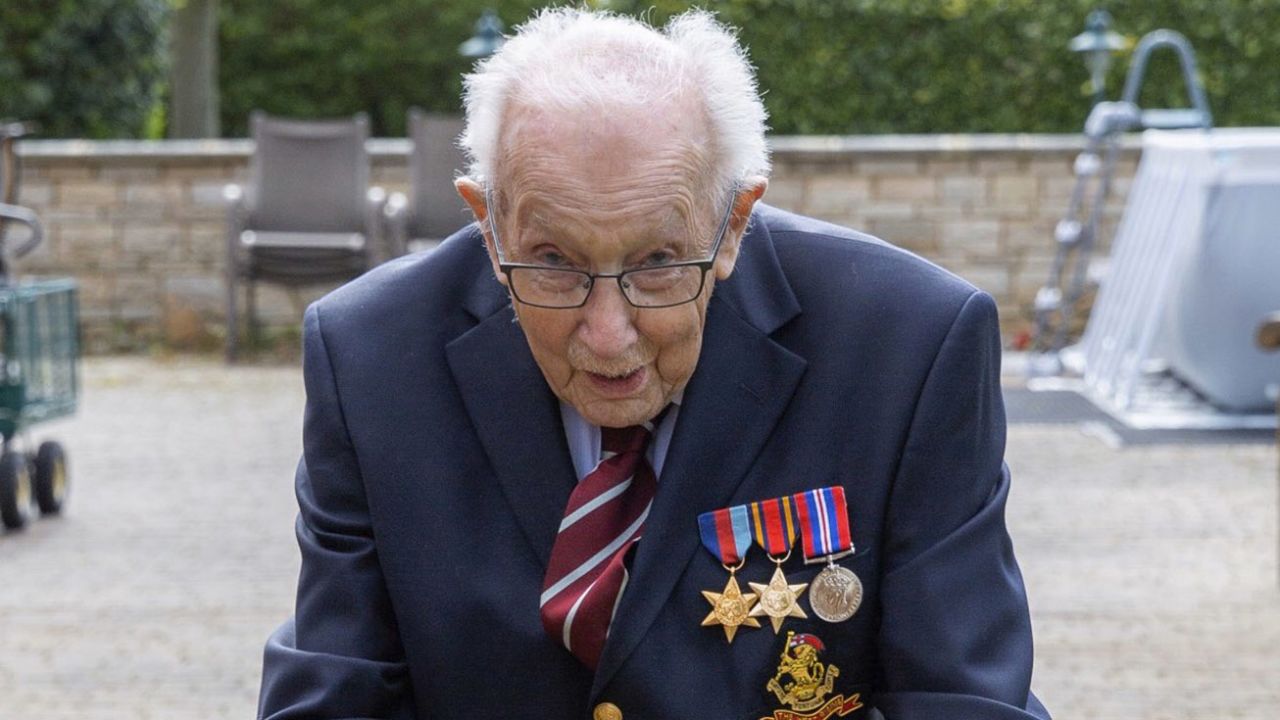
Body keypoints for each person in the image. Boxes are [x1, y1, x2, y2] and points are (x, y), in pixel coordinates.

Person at [258, 8, 1050, 720]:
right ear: (487, 225)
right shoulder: (369, 358)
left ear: (733, 222)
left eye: (660, 262)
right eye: (554, 262)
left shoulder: (910, 346)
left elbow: (965, 701)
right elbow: (334, 693)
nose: (608, 334)